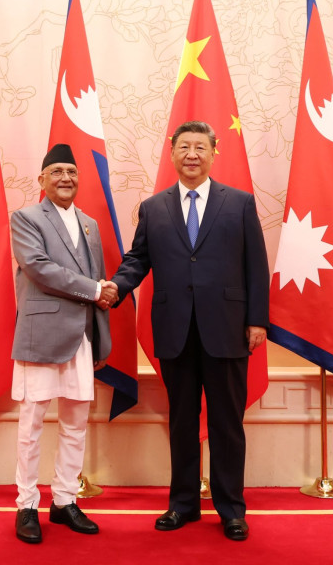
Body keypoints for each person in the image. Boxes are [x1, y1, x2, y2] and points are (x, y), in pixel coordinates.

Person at [110, 121, 269, 541]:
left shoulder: (239, 203)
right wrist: (115, 287)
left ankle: (231, 509)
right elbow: (137, 259)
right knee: (181, 421)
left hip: (228, 329)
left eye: (201, 147)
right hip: (175, 329)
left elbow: (256, 267)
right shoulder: (154, 207)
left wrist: (257, 320)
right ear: (173, 152)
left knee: (226, 424)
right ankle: (182, 504)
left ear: (214, 152)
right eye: (185, 147)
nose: (192, 154)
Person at [9, 143, 119, 544]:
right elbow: (38, 268)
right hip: (41, 336)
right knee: (31, 426)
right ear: (41, 180)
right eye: (56, 171)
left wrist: (104, 315)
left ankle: (64, 500)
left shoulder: (89, 223)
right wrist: (95, 289)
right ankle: (26, 505)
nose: (65, 178)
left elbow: (100, 278)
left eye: (71, 172)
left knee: (75, 425)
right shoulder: (25, 218)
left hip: (81, 338)